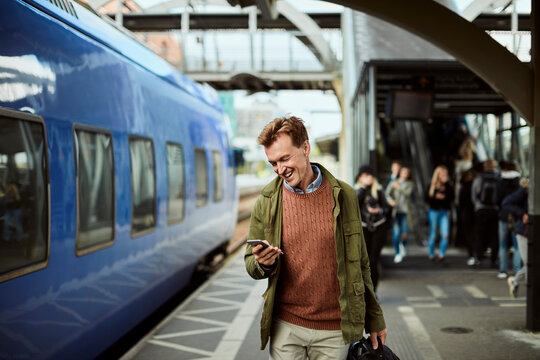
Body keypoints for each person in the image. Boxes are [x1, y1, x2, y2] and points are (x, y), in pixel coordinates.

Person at [245, 116, 387, 359]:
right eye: (273, 163)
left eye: (285, 158)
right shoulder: (267, 202)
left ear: (305, 148)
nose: (280, 169)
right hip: (286, 327)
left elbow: (361, 262)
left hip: (335, 330)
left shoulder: (345, 195)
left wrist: (374, 317)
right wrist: (262, 263)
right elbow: (251, 263)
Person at [356, 165, 391, 289]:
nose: (368, 178)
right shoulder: (358, 191)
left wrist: (378, 211)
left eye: (370, 175)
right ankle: (365, 291)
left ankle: (373, 291)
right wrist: (363, 187)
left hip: (378, 227)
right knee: (364, 260)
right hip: (364, 227)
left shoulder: (378, 191)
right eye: (365, 175)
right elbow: (354, 203)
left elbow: (387, 208)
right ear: (360, 177)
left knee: (373, 259)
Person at [471, 159, 500, 267]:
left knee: (479, 235)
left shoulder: (479, 178)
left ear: (484, 167)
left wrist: (477, 205)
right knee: (494, 235)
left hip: (481, 210)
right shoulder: (498, 178)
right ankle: (493, 259)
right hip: (494, 210)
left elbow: (474, 195)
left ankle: (478, 259)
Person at [496, 161, 521, 279]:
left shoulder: (500, 182)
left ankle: (503, 269)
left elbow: (496, 199)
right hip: (517, 216)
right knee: (517, 245)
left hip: (503, 215)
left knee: (503, 244)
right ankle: (517, 270)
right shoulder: (519, 182)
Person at [385, 166, 414, 264]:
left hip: (405, 212)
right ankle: (397, 253)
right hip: (396, 211)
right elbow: (386, 194)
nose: (405, 174)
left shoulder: (410, 184)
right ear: (400, 173)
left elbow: (407, 193)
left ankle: (403, 245)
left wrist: (399, 187)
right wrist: (391, 201)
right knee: (396, 234)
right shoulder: (394, 182)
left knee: (404, 233)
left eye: (407, 173)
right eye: (403, 172)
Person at [505, 178, 528, 298]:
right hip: (524, 231)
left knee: (531, 264)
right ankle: (516, 281)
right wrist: (522, 214)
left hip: (530, 231)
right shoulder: (525, 190)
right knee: (530, 264)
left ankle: (515, 281)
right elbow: (506, 203)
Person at [425, 166, 454, 261]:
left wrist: (444, 196)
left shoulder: (448, 186)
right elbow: (426, 198)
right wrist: (435, 197)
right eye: (443, 175)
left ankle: (442, 254)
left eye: (446, 175)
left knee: (445, 234)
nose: (445, 176)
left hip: (444, 211)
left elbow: (452, 198)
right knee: (433, 233)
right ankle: (431, 254)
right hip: (433, 211)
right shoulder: (431, 185)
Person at [458, 169, 477, 266]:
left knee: (470, 235)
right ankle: (475, 254)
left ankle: (472, 255)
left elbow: (460, 203)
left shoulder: (464, 187)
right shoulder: (475, 185)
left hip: (467, 213)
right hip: (474, 212)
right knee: (474, 234)